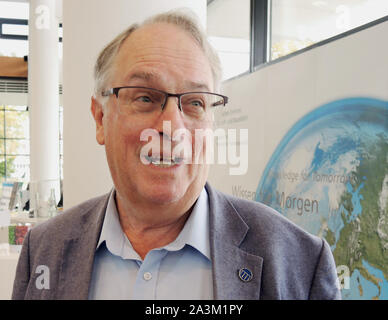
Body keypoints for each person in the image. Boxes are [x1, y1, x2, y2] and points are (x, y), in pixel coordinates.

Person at [12, 10, 341, 300]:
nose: (172, 126)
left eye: (195, 103)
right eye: (145, 98)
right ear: (100, 118)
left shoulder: (298, 263)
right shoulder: (44, 249)